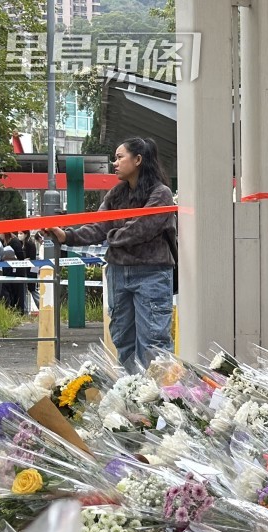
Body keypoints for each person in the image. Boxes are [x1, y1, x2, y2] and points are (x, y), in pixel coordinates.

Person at [45, 137, 176, 372]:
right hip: (117, 273)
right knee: (123, 340)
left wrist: (112, 237)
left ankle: (161, 400)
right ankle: (131, 394)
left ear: (138, 160)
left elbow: (142, 228)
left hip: (152, 273)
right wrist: (66, 236)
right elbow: (99, 226)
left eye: (119, 157)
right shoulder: (115, 194)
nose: (114, 163)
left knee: (154, 343)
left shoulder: (161, 193)